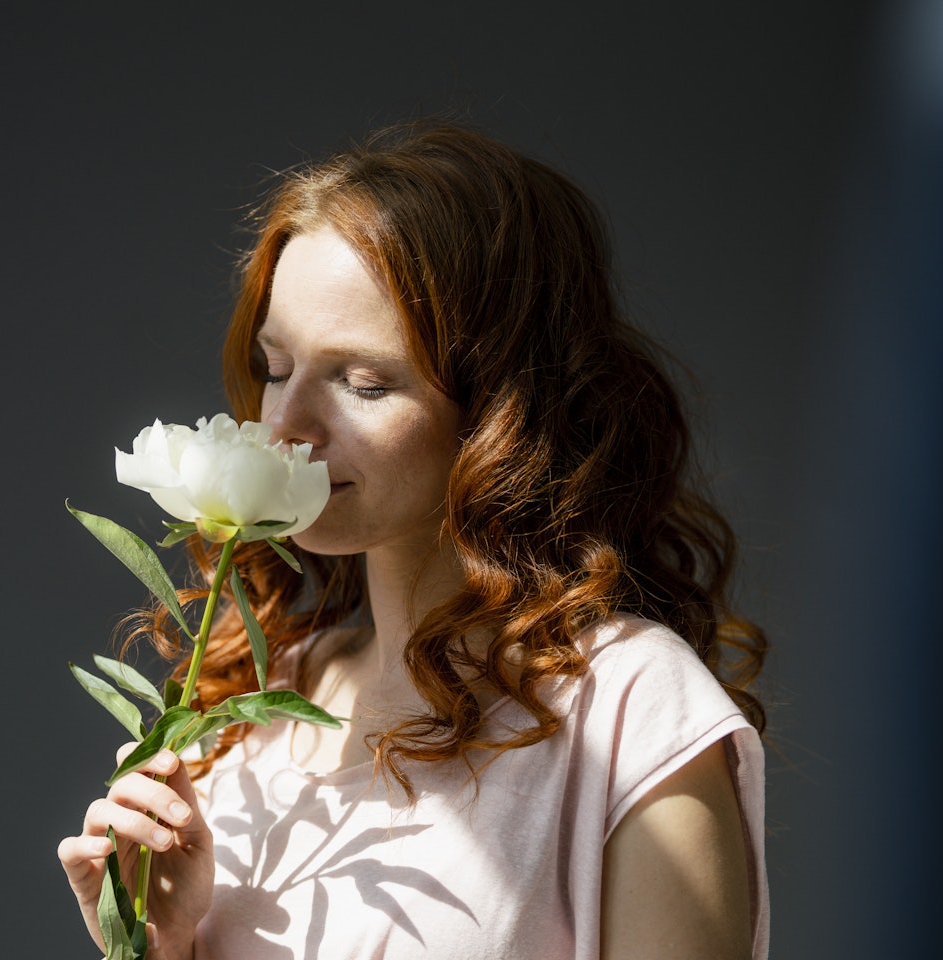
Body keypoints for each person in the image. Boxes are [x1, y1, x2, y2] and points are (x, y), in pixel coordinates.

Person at [58, 120, 768, 960]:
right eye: (276, 367)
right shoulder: (251, 709)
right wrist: (148, 947)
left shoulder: (631, 713)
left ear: (502, 409)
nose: (286, 426)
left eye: (363, 383)